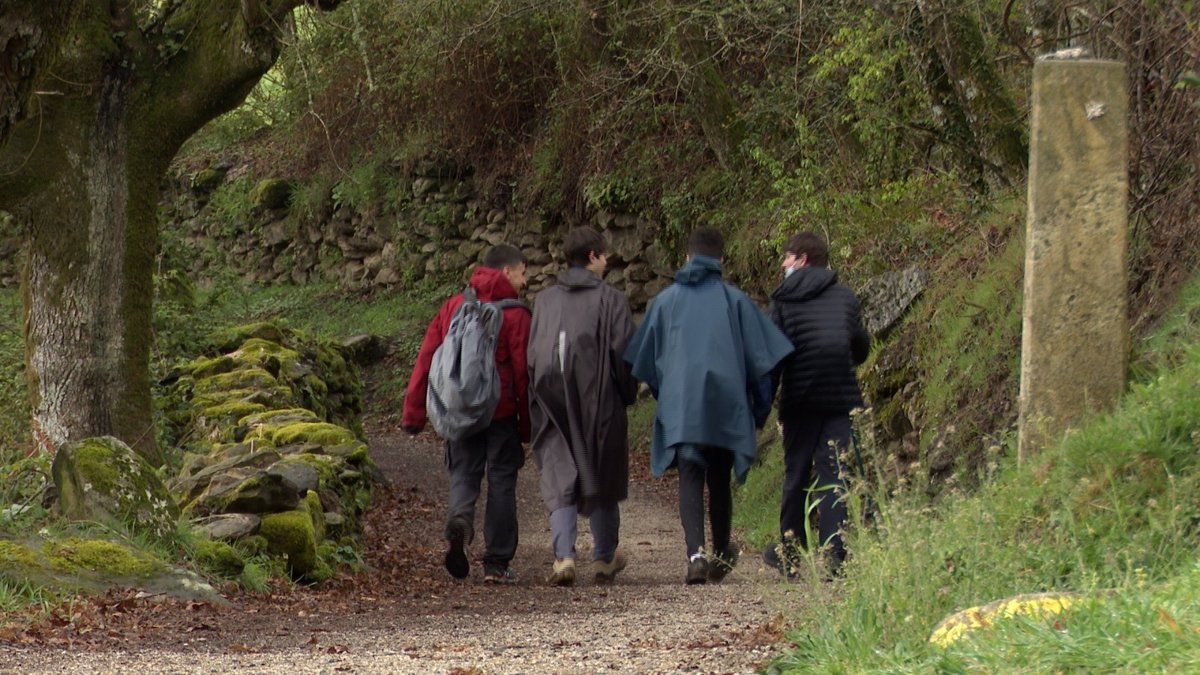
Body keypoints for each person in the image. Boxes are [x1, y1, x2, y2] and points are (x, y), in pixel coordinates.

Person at [624, 228, 793, 584]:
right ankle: (720, 552)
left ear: (686, 258)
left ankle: (695, 554)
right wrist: (758, 414)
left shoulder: (664, 303)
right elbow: (764, 364)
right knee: (718, 476)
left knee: (689, 474)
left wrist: (667, 397)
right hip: (725, 407)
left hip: (682, 407)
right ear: (722, 261)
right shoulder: (737, 302)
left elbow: (644, 362)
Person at [402, 244, 532, 584]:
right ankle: (497, 564)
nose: (525, 280)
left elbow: (428, 358)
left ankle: (459, 524)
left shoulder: (454, 306)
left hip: (460, 409)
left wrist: (414, 412)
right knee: (502, 481)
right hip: (500, 412)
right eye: (522, 273)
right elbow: (523, 374)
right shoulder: (516, 315)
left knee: (463, 474)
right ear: (506, 271)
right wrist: (527, 424)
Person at [527, 227, 638, 586]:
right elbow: (623, 353)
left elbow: (533, 355)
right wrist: (626, 392)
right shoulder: (612, 300)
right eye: (605, 255)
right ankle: (604, 557)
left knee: (560, 470)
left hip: (552, 397)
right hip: (599, 396)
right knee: (601, 468)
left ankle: (564, 556)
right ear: (592, 256)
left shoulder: (544, 300)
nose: (607, 262)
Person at [764, 231, 869, 578]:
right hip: (840, 397)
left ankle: (789, 552)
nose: (783, 264)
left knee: (796, 473)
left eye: (787, 256)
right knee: (834, 477)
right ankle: (835, 556)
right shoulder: (845, 296)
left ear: (803, 259)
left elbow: (774, 358)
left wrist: (764, 404)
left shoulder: (783, 300)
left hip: (800, 399)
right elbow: (860, 347)